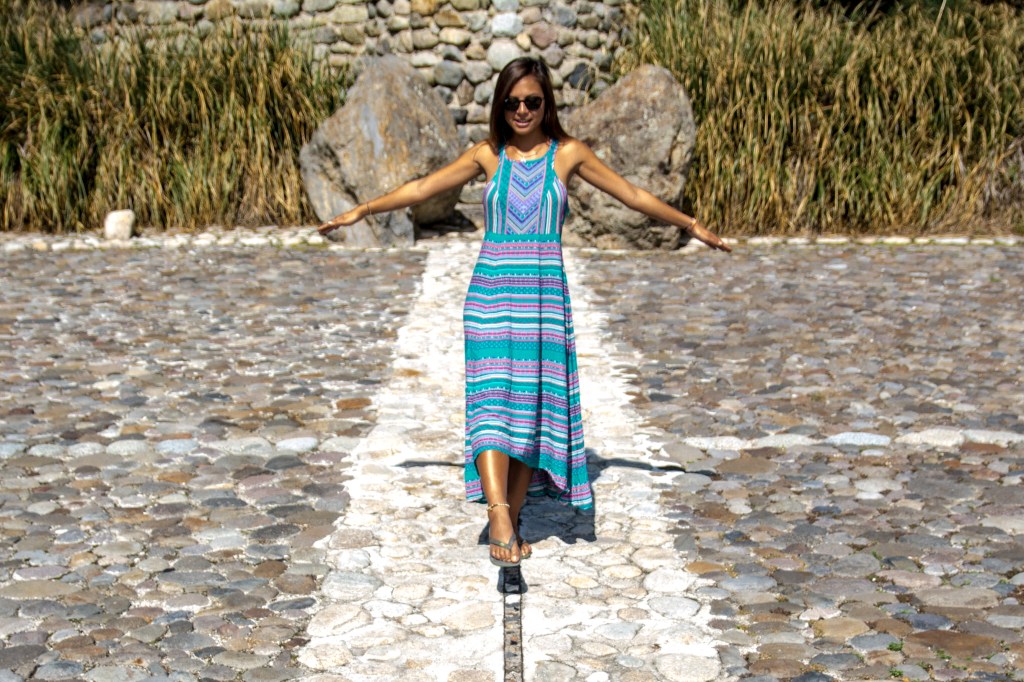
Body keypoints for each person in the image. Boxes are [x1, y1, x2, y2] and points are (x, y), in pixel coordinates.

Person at [318, 57, 731, 568]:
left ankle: (509, 520)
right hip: (490, 296)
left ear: (546, 103)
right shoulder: (488, 155)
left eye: (532, 101)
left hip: (542, 302)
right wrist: (362, 210)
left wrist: (690, 225)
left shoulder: (569, 154)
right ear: (500, 105)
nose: (521, 110)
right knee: (491, 404)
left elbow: (632, 194)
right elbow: (423, 188)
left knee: (530, 412)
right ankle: (498, 516)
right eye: (512, 102)